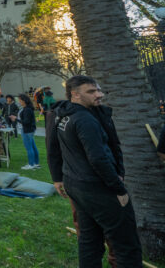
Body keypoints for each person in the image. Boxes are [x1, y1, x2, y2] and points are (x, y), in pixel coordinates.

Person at [46, 75, 142, 267]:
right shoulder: (84, 120)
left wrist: (59, 178)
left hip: (77, 186)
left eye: (98, 89)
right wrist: (118, 189)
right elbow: (98, 158)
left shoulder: (65, 114)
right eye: (92, 91)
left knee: (89, 241)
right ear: (75, 95)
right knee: (126, 245)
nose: (99, 94)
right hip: (97, 187)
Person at [11, 93, 39, 169]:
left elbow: (26, 122)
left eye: (20, 100)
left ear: (24, 101)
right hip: (30, 130)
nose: (19, 101)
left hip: (27, 130)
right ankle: (36, 163)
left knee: (29, 148)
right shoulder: (27, 108)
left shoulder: (27, 109)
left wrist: (15, 119)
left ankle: (31, 164)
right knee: (33, 147)